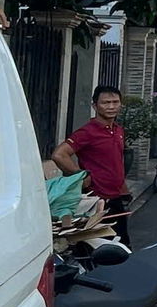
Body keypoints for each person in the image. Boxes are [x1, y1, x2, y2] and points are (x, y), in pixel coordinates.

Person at [55, 82, 132, 243]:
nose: (111, 107)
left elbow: (116, 161)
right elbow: (59, 155)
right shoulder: (87, 132)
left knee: (121, 245)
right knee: (100, 247)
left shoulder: (118, 130)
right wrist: (81, 175)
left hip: (116, 198)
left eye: (115, 102)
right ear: (95, 106)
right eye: (105, 103)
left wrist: (124, 190)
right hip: (97, 200)